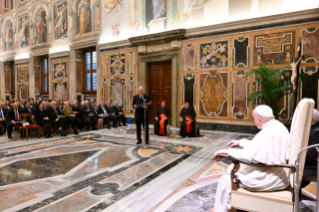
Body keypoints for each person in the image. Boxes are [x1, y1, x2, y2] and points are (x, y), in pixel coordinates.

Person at [213, 105, 290, 212]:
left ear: (259, 119)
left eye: (254, 118)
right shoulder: (278, 126)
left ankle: (223, 210)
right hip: (279, 173)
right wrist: (240, 143)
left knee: (225, 179)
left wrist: (228, 152)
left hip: (268, 177)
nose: (254, 120)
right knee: (232, 169)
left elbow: (252, 157)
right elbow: (261, 148)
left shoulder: (267, 132)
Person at [301, 109, 319, 189]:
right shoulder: (313, 128)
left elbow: (312, 152)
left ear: (310, 119)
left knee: (293, 173)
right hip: (308, 164)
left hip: (311, 167)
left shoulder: (316, 131)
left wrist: (299, 158)